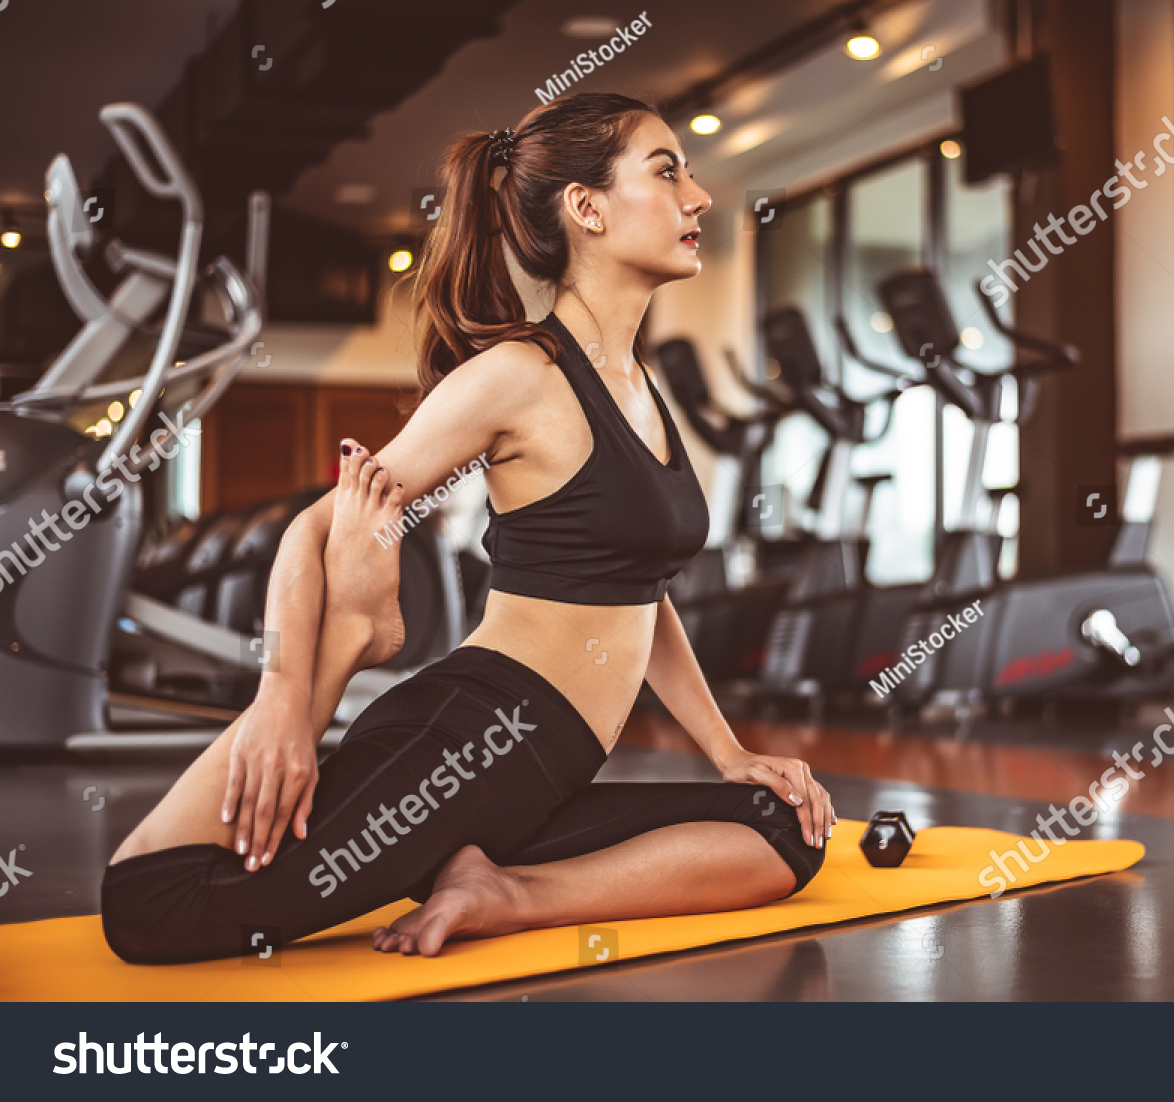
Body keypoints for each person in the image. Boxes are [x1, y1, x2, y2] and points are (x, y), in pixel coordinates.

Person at [101, 92, 835, 964]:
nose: (699, 196)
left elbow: (640, 594)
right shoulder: (518, 375)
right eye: (667, 170)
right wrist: (282, 699)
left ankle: (505, 889)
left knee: (785, 828)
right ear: (586, 208)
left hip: (543, 770)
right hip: (472, 738)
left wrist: (729, 752)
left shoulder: (635, 385)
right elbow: (312, 526)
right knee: (156, 908)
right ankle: (358, 642)